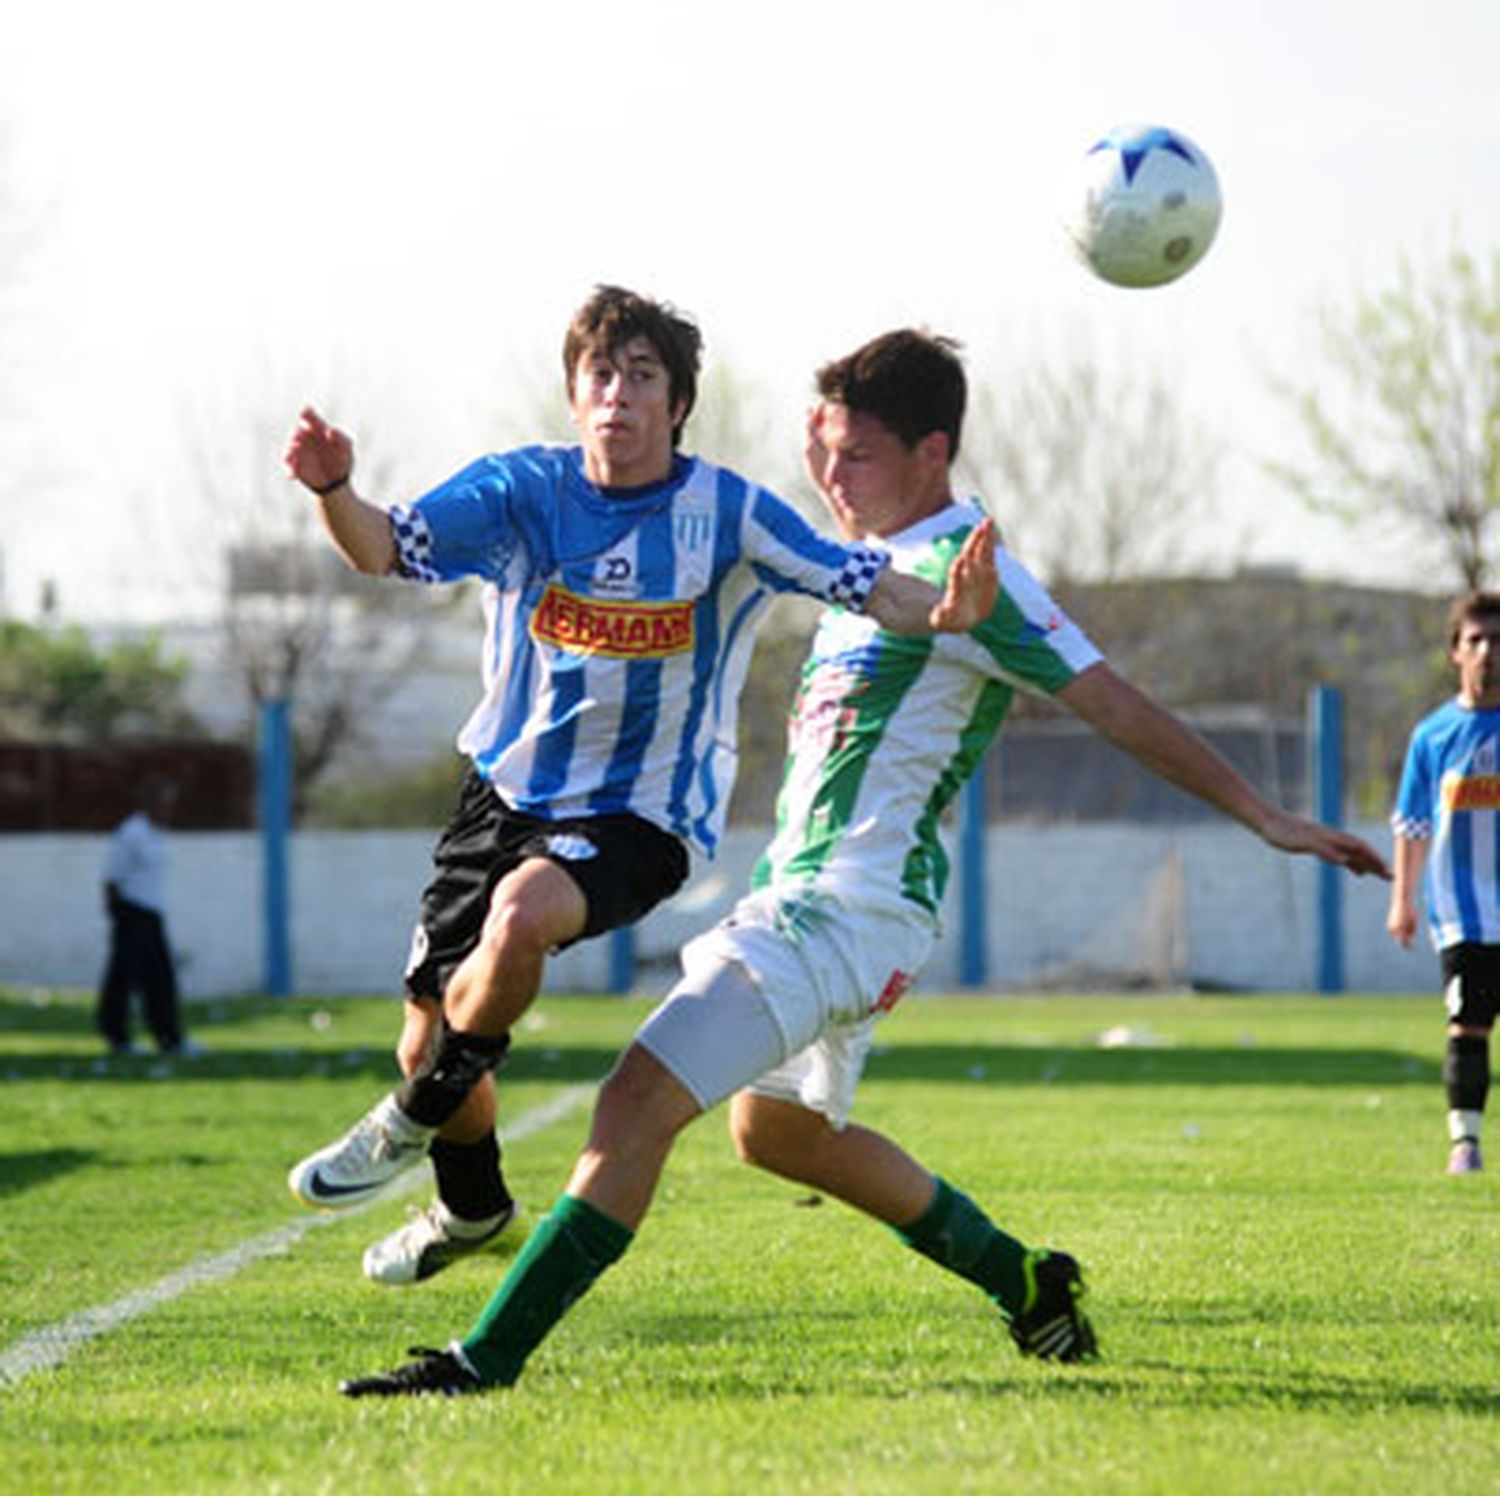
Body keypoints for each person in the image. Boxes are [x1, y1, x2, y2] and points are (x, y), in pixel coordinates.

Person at [338, 328, 1391, 1397]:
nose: (830, 476)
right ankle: (1026, 1281)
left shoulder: (970, 579)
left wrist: (1267, 815)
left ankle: (482, 1362)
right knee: (778, 1132)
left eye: (856, 457)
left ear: (932, 454)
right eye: (821, 450)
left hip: (843, 913)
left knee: (635, 1102)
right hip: (838, 910)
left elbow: (1114, 704)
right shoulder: (871, 577)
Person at [282, 287, 997, 1286]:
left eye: (643, 377)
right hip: (503, 794)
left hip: (644, 814)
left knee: (524, 915)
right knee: (427, 1029)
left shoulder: (729, 513)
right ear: (575, 399)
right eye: (600, 376)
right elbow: (381, 545)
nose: (618, 393)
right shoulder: (521, 492)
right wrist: (334, 489)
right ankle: (471, 1202)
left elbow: (862, 580)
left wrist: (949, 611)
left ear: (677, 404)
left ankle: (415, 1113)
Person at [1387, 591, 1500, 1175]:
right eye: (1475, 640)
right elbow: (1412, 822)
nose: (1488, 652)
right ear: (1456, 652)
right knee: (1469, 1025)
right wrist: (1401, 900)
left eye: (1497, 641)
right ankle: (1466, 1144)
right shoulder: (1433, 735)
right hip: (1463, 910)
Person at [96, 775, 186, 1055]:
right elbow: (111, 879)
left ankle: (168, 1037)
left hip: (152, 913)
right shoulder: (132, 833)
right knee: (123, 978)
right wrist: (119, 916)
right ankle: (117, 1037)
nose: (168, 808)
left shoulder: (157, 833)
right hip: (132, 912)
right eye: (163, 801)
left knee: (160, 979)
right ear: (148, 801)